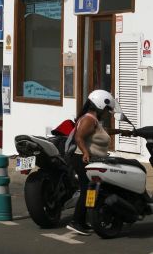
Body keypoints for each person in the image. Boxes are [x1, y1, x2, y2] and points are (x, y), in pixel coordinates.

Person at [67, 89, 130, 236]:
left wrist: (120, 131)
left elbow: (102, 131)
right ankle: (76, 222)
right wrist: (86, 152)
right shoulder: (89, 119)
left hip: (90, 160)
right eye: (108, 109)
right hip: (83, 159)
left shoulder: (93, 120)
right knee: (86, 190)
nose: (108, 112)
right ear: (101, 105)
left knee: (90, 190)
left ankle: (82, 222)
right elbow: (79, 137)